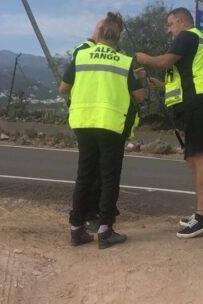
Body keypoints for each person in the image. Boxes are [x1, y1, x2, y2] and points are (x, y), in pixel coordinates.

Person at [60, 13, 145, 249]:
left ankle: (76, 229)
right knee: (109, 178)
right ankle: (105, 231)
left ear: (99, 32)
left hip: (84, 123)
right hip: (110, 125)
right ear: (118, 36)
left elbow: (64, 88)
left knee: (84, 176)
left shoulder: (81, 56)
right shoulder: (123, 61)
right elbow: (139, 96)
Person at [135, 7, 203, 239]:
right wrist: (162, 86)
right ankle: (200, 213)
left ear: (182, 21)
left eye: (171, 24)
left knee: (200, 156)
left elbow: (165, 61)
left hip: (200, 104)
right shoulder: (196, 41)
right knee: (193, 158)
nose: (169, 29)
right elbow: (183, 77)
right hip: (200, 103)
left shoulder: (188, 35)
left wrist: (144, 58)